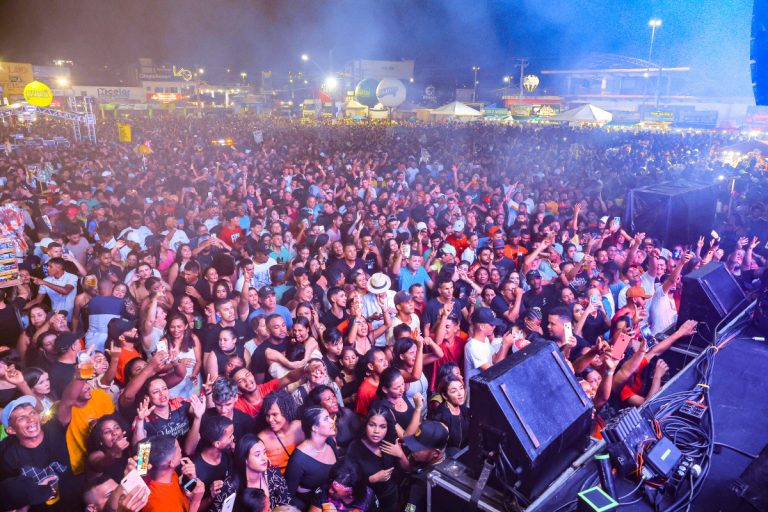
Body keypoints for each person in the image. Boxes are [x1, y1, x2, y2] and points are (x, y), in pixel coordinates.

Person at [0, 377, 90, 511]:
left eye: (32, 413)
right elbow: (13, 496)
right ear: (11, 430)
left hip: (73, 503)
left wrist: (80, 376)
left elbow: (67, 401)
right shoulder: (6, 453)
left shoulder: (54, 429)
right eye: (21, 418)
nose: (30, 419)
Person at [345, 406, 409, 512]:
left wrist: (400, 454)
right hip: (367, 501)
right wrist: (372, 479)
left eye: (383, 426)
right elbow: (348, 483)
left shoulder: (391, 442)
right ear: (366, 425)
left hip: (391, 497)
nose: (376, 431)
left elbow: (408, 469)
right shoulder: (355, 448)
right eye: (372, 425)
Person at [285, 406, 338, 509]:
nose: (332, 421)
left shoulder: (330, 441)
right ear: (314, 427)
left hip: (332, 500)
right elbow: (288, 496)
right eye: (326, 418)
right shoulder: (299, 459)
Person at [142, 435, 205, 512]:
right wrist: (195, 502)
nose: (181, 450)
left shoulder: (169, 474)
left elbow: (181, 497)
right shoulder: (159, 506)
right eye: (179, 450)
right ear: (171, 463)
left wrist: (192, 479)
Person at [400, 420, 450, 512]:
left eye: (418, 448)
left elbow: (410, 509)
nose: (412, 449)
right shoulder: (452, 454)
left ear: (436, 453)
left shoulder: (420, 485)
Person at [257, 390, 304, 474]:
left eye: (274, 414)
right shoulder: (262, 439)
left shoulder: (301, 428)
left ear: (287, 411)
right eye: (268, 415)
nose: (270, 420)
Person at [308, 461, 379, 512]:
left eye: (335, 490)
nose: (330, 490)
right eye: (331, 486)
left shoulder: (369, 498)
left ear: (350, 492)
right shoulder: (323, 490)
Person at [429, 375, 470, 456]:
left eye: (461, 388)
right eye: (454, 391)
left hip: (464, 453)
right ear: (444, 395)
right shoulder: (441, 416)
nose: (460, 393)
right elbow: (437, 449)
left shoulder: (463, 408)